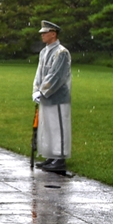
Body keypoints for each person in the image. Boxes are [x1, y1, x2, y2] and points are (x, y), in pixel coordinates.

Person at [33, 21, 71, 173]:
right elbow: (39, 73)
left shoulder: (61, 52)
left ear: (53, 33)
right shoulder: (44, 52)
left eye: (45, 32)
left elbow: (56, 76)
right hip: (46, 96)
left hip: (58, 96)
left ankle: (60, 158)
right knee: (47, 126)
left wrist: (43, 90)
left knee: (58, 127)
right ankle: (51, 155)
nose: (42, 35)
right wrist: (36, 89)